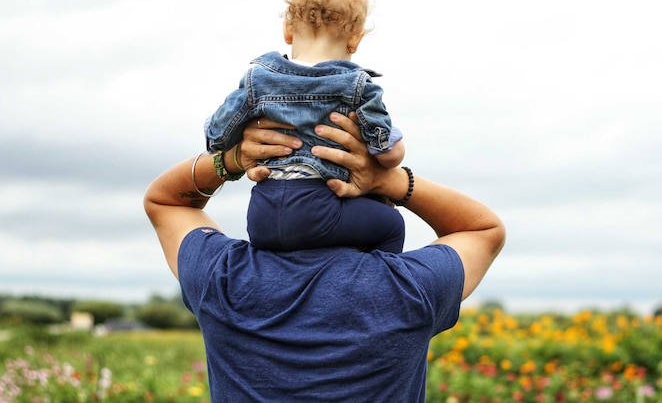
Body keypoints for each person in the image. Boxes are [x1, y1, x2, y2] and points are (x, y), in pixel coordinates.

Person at [144, 112, 505, 402]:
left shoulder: (222, 278)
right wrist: (389, 180)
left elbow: (166, 201)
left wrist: (232, 159)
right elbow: (483, 230)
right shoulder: (411, 288)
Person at [205, 0, 405, 253]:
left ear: (287, 30)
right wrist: (394, 144)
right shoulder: (358, 85)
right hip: (321, 209)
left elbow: (218, 138)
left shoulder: (257, 79)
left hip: (262, 215)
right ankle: (378, 287)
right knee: (391, 224)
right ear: (355, 41)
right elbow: (386, 154)